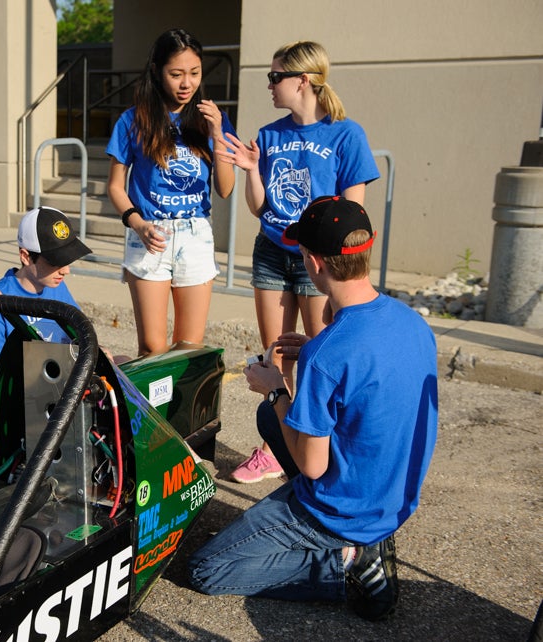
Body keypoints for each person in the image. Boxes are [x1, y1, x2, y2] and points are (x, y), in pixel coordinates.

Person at [188, 196, 437, 621]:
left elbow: (314, 466)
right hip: (392, 495)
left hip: (343, 510)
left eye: (302, 254)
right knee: (271, 420)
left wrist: (274, 389)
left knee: (207, 569)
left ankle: (345, 566)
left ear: (314, 263)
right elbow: (367, 379)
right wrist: (310, 360)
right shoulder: (409, 320)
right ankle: (365, 540)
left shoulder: (328, 353)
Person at [219, 40, 380, 483]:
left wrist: (338, 267)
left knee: (322, 352)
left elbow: (352, 219)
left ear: (302, 80)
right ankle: (277, 446)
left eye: (275, 77)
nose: (269, 85)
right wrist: (252, 169)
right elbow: (257, 207)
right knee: (277, 353)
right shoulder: (271, 135)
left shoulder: (347, 135)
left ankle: (325, 442)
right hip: (272, 251)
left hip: (319, 260)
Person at [106, 28, 236, 356]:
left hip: (195, 235)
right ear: (157, 71)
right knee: (152, 348)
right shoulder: (133, 120)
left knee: (188, 348)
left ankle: (180, 410)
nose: (186, 84)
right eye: (176, 74)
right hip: (149, 234)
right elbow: (115, 187)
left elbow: (225, 188)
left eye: (194, 74)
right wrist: (138, 224)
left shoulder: (213, 119)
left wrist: (219, 133)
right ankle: (150, 409)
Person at [0, 207, 91, 448]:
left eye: (68, 259)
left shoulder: (54, 285)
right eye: (56, 261)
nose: (66, 270)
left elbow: (80, 339)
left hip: (50, 400)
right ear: (26, 256)